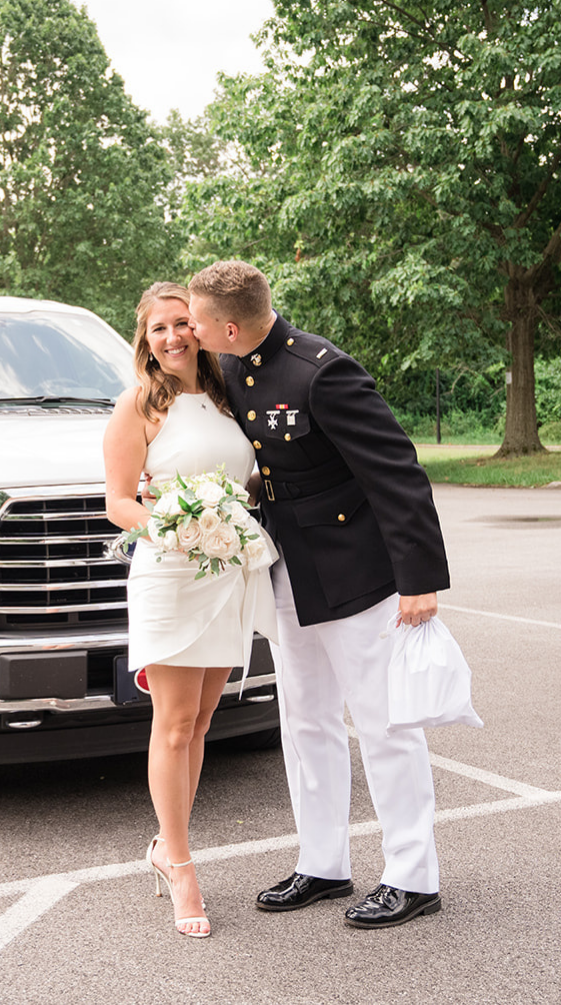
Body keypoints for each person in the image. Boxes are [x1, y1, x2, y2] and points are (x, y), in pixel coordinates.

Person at [186, 260, 452, 930]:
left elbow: (397, 473)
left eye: (195, 320)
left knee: (385, 722)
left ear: (228, 325)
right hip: (289, 571)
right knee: (305, 720)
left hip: (356, 571)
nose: (190, 330)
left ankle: (413, 876)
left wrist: (420, 580)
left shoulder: (320, 372)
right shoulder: (235, 369)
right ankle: (324, 863)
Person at [103, 281, 277, 939]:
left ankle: (163, 844)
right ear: (144, 341)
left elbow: (249, 475)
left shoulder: (230, 394)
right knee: (174, 724)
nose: (173, 337)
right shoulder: (139, 406)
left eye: (182, 324)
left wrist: (234, 509)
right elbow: (119, 502)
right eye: (158, 329)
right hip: (171, 570)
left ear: (201, 328)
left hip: (224, 568)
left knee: (201, 722)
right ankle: (178, 863)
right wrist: (173, 525)